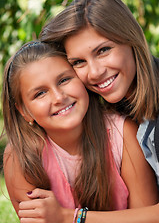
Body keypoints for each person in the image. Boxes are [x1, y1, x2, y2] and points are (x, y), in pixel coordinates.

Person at [2, 40, 157, 223]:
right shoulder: (22, 158)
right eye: (40, 93)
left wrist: (72, 218)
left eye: (64, 80)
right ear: (25, 111)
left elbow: (148, 218)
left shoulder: (122, 134)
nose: (59, 97)